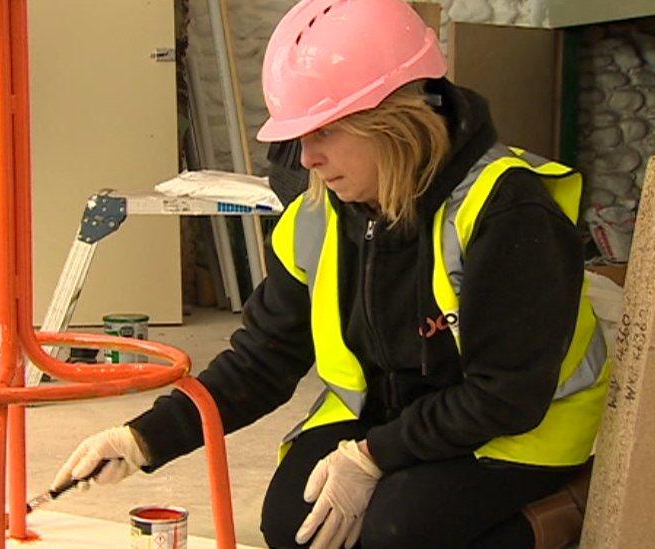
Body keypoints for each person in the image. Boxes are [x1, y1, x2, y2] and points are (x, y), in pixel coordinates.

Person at [53, 0, 610, 547]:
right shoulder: (320, 217)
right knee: (294, 530)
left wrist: (371, 458)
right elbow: (264, 359)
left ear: (397, 120)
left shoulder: (507, 211)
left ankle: (559, 512)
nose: (307, 157)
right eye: (300, 135)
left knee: (400, 532)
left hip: (520, 425)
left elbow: (505, 395)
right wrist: (144, 439)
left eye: (324, 132)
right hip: (394, 410)